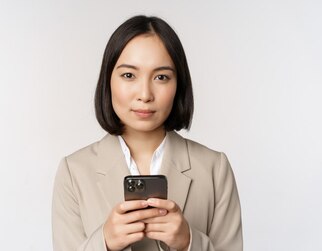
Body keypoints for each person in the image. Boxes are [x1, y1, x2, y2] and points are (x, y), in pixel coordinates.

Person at [51, 15, 242, 251]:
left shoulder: (215, 168)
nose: (145, 94)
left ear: (178, 85)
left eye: (161, 77)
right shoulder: (74, 171)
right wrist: (104, 243)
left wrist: (189, 242)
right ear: (108, 81)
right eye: (129, 75)